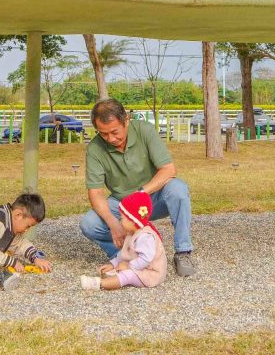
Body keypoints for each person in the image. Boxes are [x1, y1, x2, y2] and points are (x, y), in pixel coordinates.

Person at [80, 98, 195, 277]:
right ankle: (126, 255)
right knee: (89, 224)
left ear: (126, 120)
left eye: (114, 132)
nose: (110, 138)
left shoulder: (145, 130)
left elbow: (168, 170)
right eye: (103, 134)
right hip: (121, 203)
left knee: (178, 189)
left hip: (153, 197)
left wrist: (141, 193)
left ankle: (183, 252)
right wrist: (113, 224)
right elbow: (95, 192)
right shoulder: (95, 148)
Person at [80, 191, 166, 291]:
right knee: (121, 270)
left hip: (151, 273)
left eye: (122, 218)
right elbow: (124, 253)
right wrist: (113, 264)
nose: (120, 222)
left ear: (133, 219)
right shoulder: (131, 233)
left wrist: (129, 266)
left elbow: (146, 259)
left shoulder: (145, 236)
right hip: (140, 268)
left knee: (128, 275)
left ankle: (99, 284)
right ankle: (112, 278)